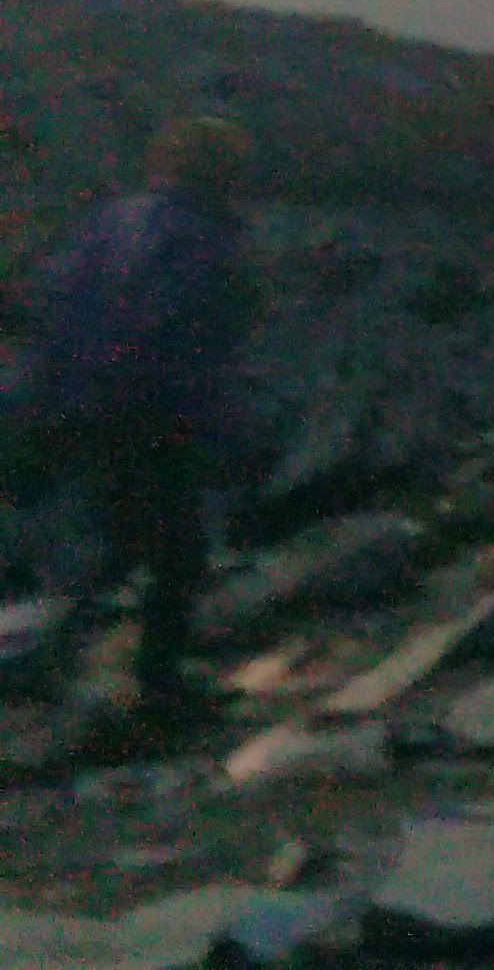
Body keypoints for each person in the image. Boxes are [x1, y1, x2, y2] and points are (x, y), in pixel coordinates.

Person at [27, 114, 258, 718]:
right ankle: (156, 687)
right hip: (154, 414)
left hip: (86, 405)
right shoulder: (204, 240)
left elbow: (59, 304)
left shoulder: (113, 220)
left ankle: (57, 667)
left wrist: (51, 399)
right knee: (176, 552)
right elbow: (188, 340)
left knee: (113, 541)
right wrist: (218, 428)